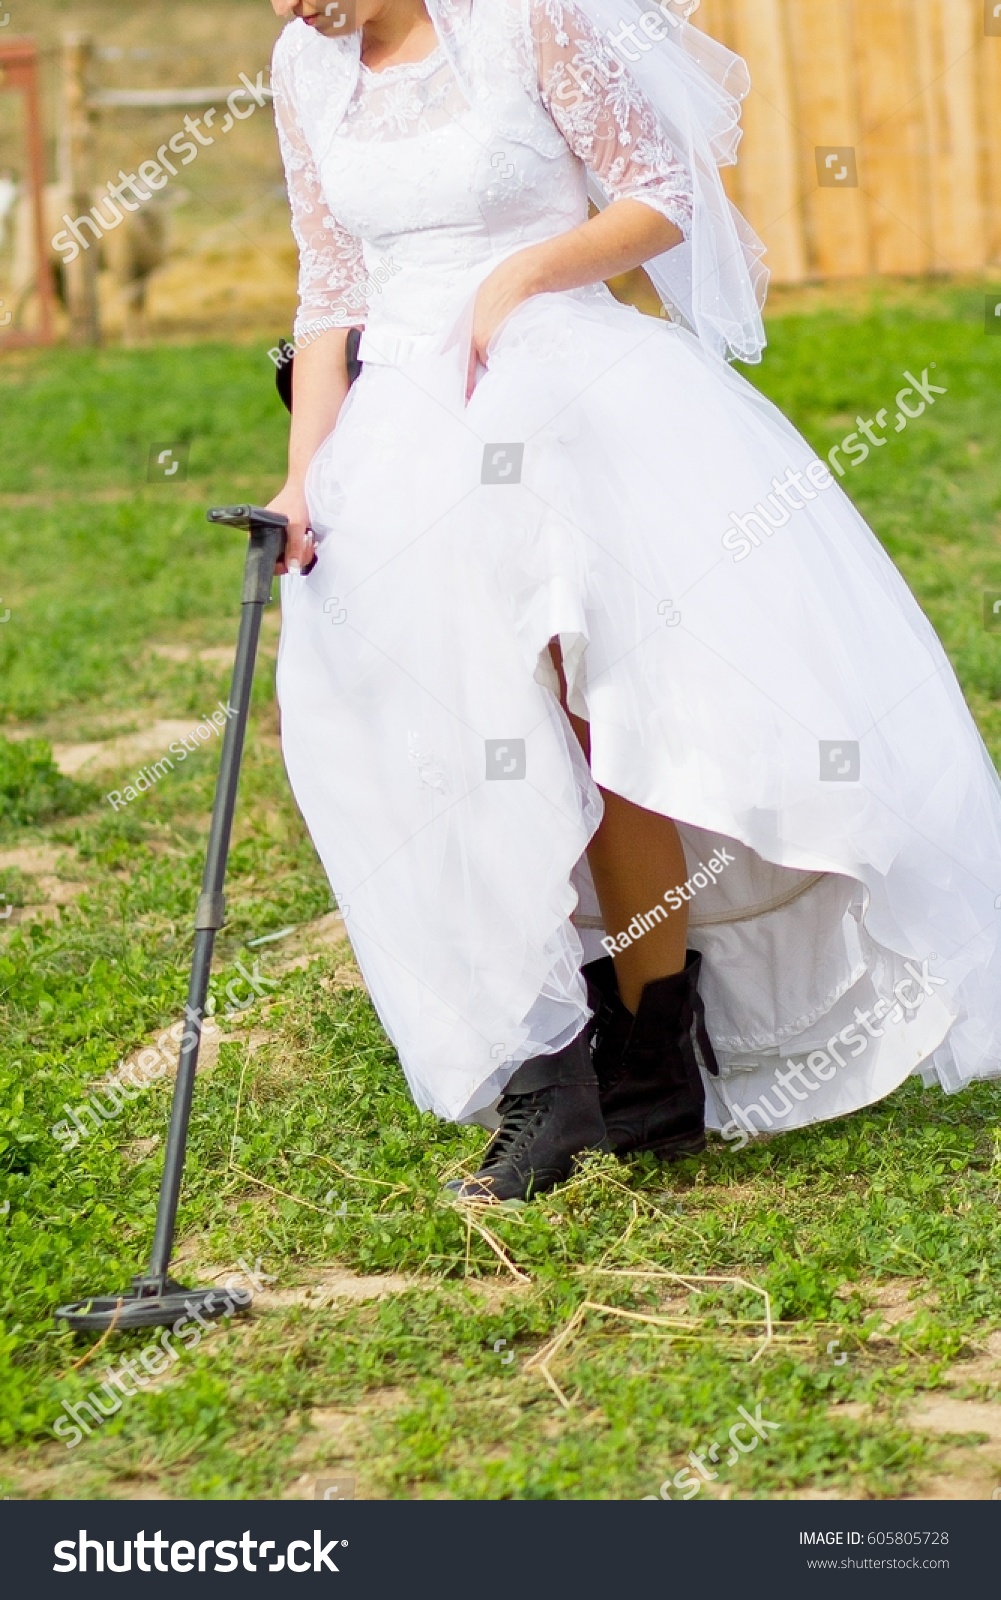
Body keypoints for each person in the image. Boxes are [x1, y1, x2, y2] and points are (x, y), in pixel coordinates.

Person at [266, 0, 1001, 1202]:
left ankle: (653, 1056)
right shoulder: (303, 65)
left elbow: (659, 192)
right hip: (401, 425)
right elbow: (328, 286)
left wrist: (519, 279)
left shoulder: (524, 22)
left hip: (563, 387)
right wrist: (305, 475)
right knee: (444, 734)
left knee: (608, 713)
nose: (292, 7)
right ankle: (544, 1070)